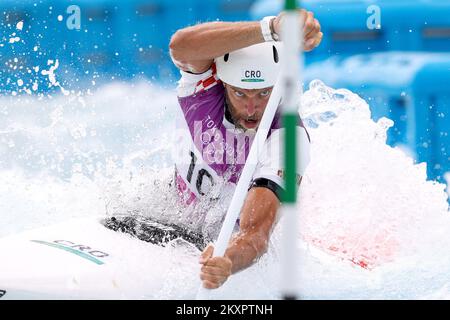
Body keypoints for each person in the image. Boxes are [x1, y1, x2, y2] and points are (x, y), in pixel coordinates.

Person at [169, 10, 323, 289]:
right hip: (168, 209)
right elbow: (180, 46)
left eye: (264, 93)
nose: (252, 109)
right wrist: (272, 28)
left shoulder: (288, 141)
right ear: (224, 83)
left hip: (224, 240)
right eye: (240, 93)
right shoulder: (202, 86)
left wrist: (226, 260)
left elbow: (255, 235)